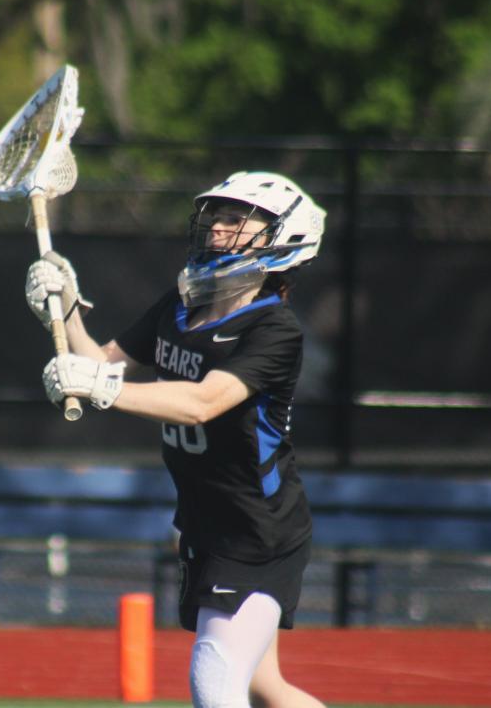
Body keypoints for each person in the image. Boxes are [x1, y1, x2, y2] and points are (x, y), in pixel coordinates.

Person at [24, 171, 327, 708]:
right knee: (265, 687)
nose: (217, 229)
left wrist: (100, 388)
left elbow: (201, 403)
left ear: (286, 237)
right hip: (206, 521)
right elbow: (101, 364)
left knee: (216, 678)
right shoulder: (180, 304)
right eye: (215, 217)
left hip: (257, 530)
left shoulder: (274, 330)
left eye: (237, 220)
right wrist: (64, 306)